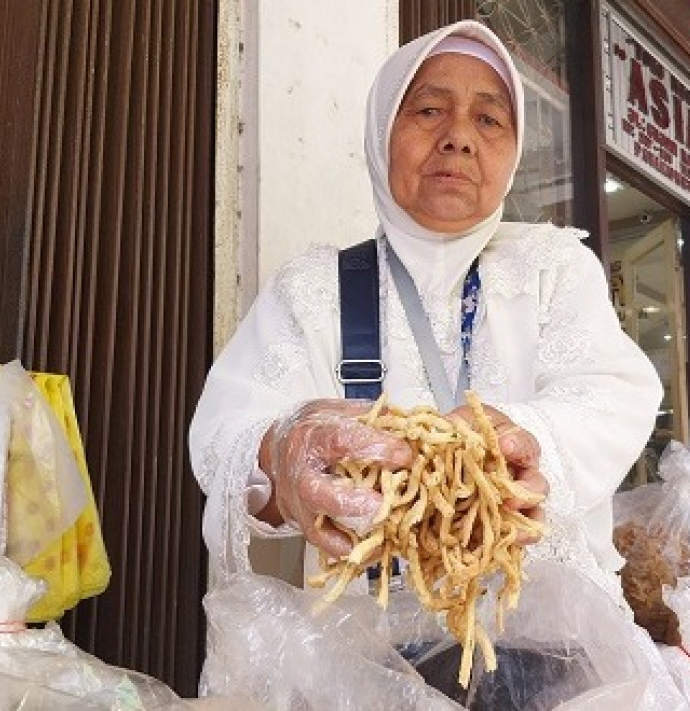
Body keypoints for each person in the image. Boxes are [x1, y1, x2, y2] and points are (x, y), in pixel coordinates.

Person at [189, 19, 662, 598]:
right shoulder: (317, 289)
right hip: (368, 646)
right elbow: (224, 433)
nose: (459, 137)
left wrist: (523, 438)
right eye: (429, 111)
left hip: (550, 636)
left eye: (488, 119)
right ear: (382, 132)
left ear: (513, 153)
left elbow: (613, 393)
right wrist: (284, 452)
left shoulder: (552, 270)